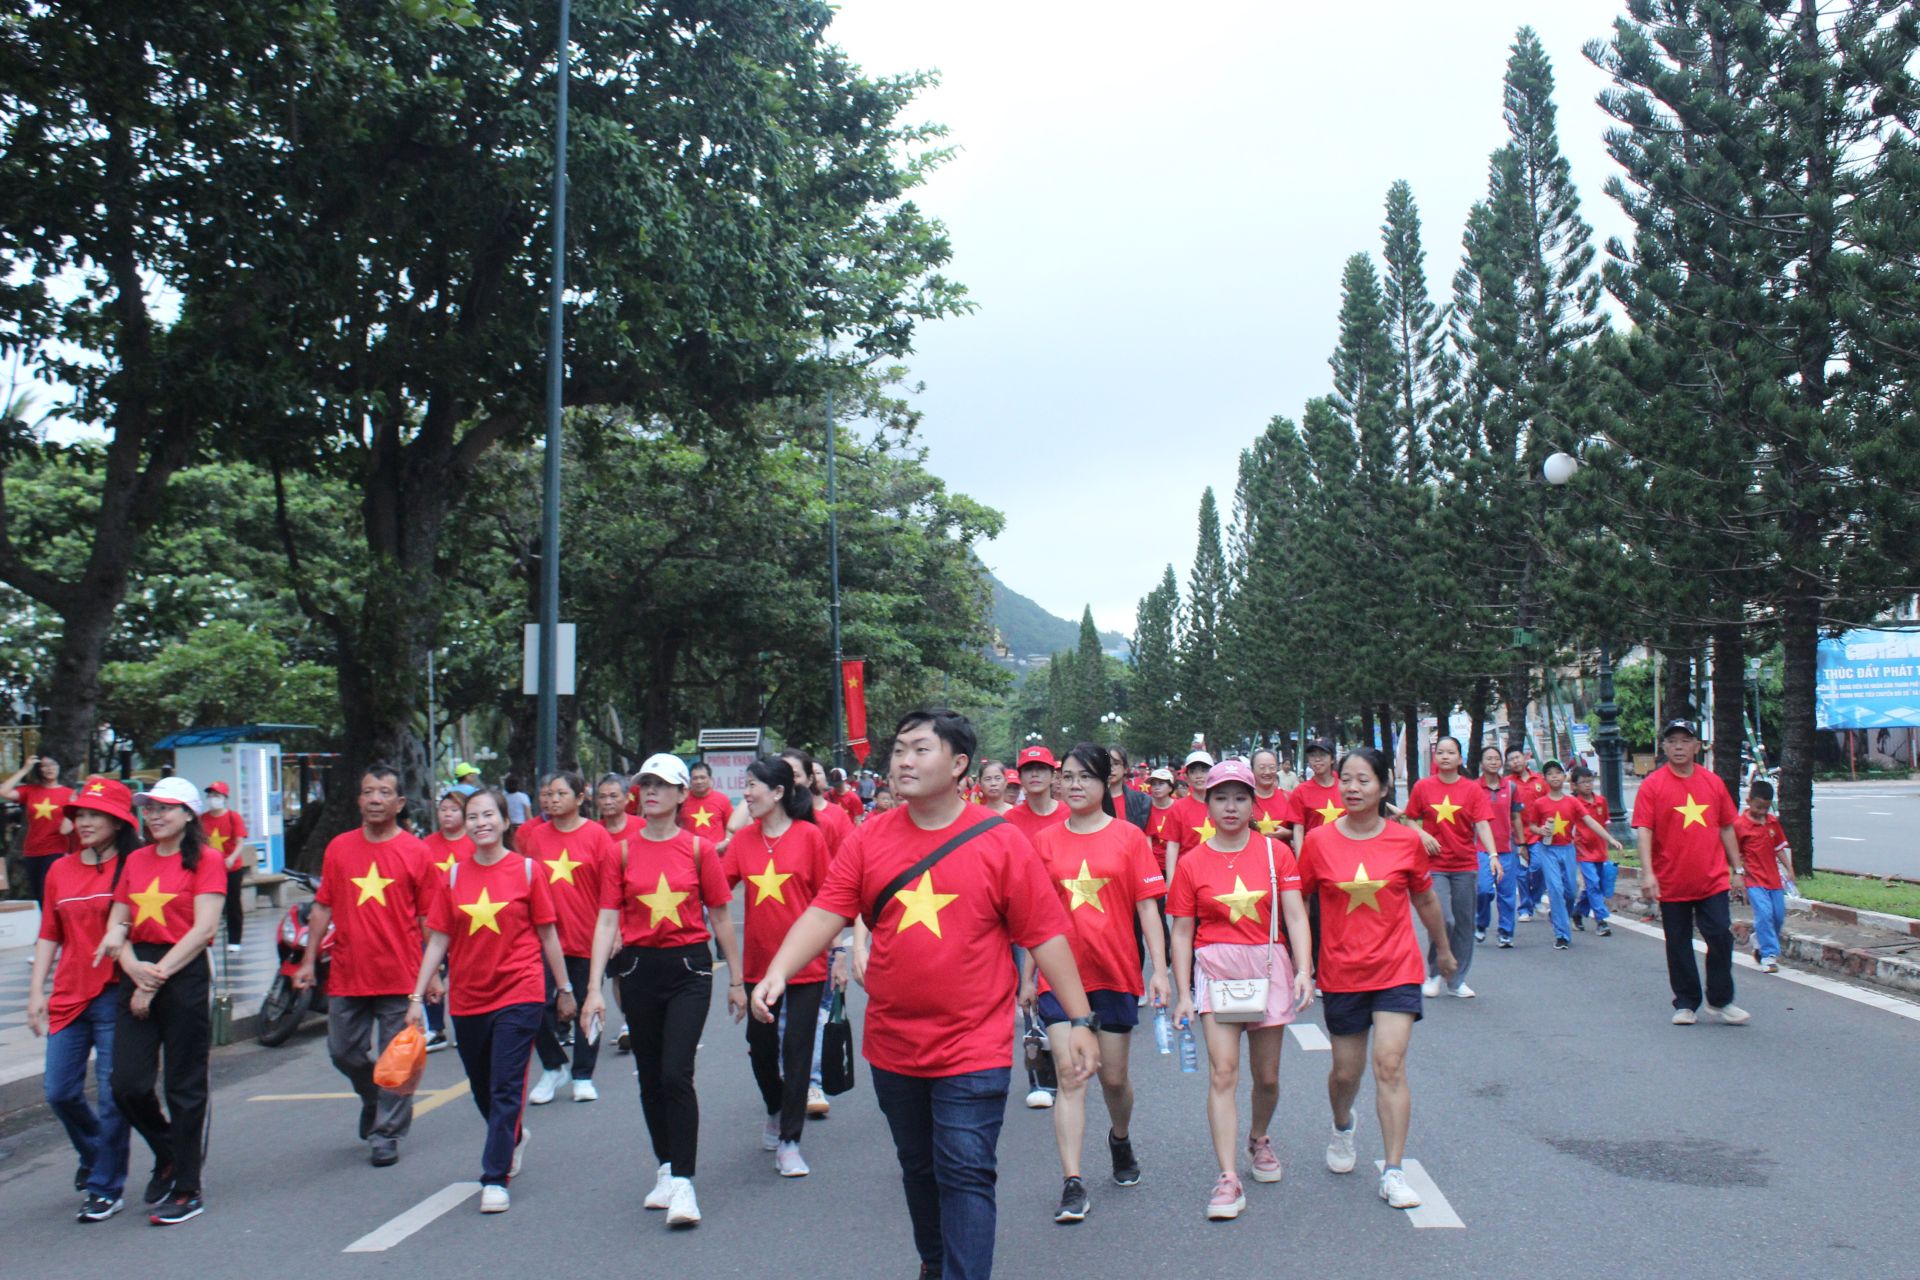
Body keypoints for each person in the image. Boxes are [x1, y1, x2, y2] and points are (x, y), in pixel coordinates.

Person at [753, 708, 1097, 1280]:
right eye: (898, 751)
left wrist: (1080, 1020)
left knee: (966, 1171)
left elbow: (1045, 933)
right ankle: (936, 1264)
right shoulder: (870, 837)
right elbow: (826, 909)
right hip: (894, 1044)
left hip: (974, 1044)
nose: (903, 762)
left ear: (959, 764)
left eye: (919, 750)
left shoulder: (1001, 841)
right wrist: (778, 971)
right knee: (918, 1169)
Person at [577, 753, 745, 1227]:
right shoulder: (620, 853)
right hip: (638, 970)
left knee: (675, 1073)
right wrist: (593, 990)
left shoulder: (699, 850)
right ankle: (667, 1168)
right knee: (650, 1077)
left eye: (661, 784)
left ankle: (685, 1184)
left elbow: (720, 918)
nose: (650, 791)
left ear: (680, 794)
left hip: (689, 969)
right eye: (645, 784)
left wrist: (737, 981)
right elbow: (606, 920)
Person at [1299, 748, 1455, 1213]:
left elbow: (1425, 900)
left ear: (1385, 787)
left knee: (1389, 1064)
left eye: (1363, 780)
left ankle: (1393, 1170)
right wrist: (1299, 961)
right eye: (1346, 779)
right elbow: (1298, 901)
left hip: (1396, 968)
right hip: (1342, 971)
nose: (1352, 788)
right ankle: (1342, 1124)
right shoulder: (1318, 841)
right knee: (1346, 1072)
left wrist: (1443, 950)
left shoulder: (1405, 841)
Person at [407, 787, 575, 1215]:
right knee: (482, 1086)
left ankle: (495, 1177)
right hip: (468, 997)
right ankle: (513, 1137)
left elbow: (547, 934)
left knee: (505, 1086)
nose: (480, 823)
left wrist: (565, 990)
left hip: (520, 990)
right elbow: (438, 938)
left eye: (488, 815)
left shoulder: (528, 871)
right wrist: (417, 995)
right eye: (473, 817)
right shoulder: (452, 877)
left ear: (504, 821)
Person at [1018, 743, 1168, 1222]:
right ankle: (1073, 1181)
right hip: (1060, 980)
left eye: (1085, 776)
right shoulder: (1043, 842)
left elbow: (1148, 908)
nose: (1074, 785)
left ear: (1106, 783)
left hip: (1115, 973)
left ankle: (1119, 1139)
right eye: (1068, 776)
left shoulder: (1129, 838)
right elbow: (1035, 919)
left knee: (1113, 1079)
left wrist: (1160, 971)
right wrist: (1027, 976)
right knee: (1070, 1074)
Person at [1167, 758, 1314, 1222]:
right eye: (1221, 798)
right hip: (1216, 970)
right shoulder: (1191, 862)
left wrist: (1305, 969)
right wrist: (1183, 991)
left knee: (1266, 1077)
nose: (1230, 807)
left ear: (1254, 804)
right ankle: (1228, 1176)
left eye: (1239, 798)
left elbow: (1295, 915)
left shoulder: (1276, 854)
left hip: (1267, 965)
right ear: (1207, 804)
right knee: (1223, 1073)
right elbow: (1181, 932)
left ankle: (1258, 1138)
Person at [97, 777, 225, 1225]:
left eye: (164, 808)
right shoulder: (135, 859)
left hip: (182, 971)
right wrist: (132, 966)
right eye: (149, 808)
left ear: (188, 814)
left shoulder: (207, 859)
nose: (154, 816)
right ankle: (168, 1150)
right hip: (138, 967)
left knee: (183, 1086)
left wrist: (153, 981)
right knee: (126, 1084)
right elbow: (119, 922)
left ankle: (188, 1189)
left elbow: (203, 929)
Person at [295, 765, 436, 1167]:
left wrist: (433, 974)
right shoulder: (339, 848)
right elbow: (322, 906)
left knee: (398, 1061)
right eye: (369, 791)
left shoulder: (416, 852)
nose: (375, 799)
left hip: (400, 974)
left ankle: (386, 1133)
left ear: (399, 802)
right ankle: (372, 1095)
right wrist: (308, 960)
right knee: (342, 1051)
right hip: (348, 971)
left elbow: (428, 918)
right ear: (359, 800)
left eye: (384, 792)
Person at [27, 777, 149, 1222]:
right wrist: (36, 992)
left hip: (115, 994)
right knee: (59, 1092)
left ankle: (105, 1187)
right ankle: (98, 1154)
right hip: (68, 995)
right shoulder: (59, 870)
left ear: (118, 823)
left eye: (96, 815)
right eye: (80, 814)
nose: (85, 822)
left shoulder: (134, 867)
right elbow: (49, 933)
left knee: (114, 1096)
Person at [723, 757, 833, 1177]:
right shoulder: (744, 841)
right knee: (762, 1049)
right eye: (745, 785)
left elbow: (829, 901)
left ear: (779, 792)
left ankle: (790, 1141)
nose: (746, 793)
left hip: (806, 965)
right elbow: (717, 889)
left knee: (798, 1052)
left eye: (753, 785)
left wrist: (838, 954)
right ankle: (774, 1107)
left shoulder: (810, 837)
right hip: (757, 966)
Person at [1635, 720, 1748, 1025]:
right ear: (1664, 747)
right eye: (1672, 741)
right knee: (1678, 943)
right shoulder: (1652, 785)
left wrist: (1737, 869)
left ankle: (1720, 999)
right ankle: (1686, 1002)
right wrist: (1648, 873)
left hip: (1712, 878)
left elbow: (1727, 826)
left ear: (1697, 746)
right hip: (1671, 879)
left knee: (1720, 935)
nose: (1679, 747)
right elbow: (1644, 830)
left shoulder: (1712, 782)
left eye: (1685, 741)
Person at [520, 770, 617, 1104]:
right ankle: (553, 1066)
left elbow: (612, 889)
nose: (553, 799)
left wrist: (616, 931)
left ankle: (583, 1075)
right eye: (549, 794)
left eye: (561, 793)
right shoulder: (535, 837)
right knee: (533, 1004)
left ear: (579, 798)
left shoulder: (597, 836)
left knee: (589, 1004)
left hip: (588, 937)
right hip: (543, 939)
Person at [1399, 737, 1496, 998]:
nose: (1444, 756)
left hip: (1465, 864)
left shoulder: (1472, 790)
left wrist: (1493, 854)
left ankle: (1456, 980)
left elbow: (1482, 824)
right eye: (1440, 752)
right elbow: (1409, 818)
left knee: (1464, 923)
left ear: (1460, 758)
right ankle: (1434, 973)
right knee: (1443, 919)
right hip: (1434, 864)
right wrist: (1422, 834)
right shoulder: (1423, 787)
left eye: (1450, 752)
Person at [1521, 762, 1592, 952]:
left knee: (1571, 890)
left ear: (1564, 776)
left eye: (1558, 772)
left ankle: (1559, 916)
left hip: (1567, 849)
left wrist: (1609, 838)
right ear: (1544, 779)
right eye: (1550, 773)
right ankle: (1562, 934)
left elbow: (1589, 820)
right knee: (1555, 888)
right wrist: (1541, 830)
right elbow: (1532, 826)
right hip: (1547, 849)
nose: (1554, 776)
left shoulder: (1572, 802)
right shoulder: (1540, 803)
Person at [1733, 779, 1793, 972]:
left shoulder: (1772, 822)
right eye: (1758, 807)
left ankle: (1758, 938)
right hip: (1754, 880)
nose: (1761, 812)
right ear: (1748, 801)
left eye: (1766, 808)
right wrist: (1738, 874)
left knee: (1778, 916)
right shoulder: (1740, 825)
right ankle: (1769, 955)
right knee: (1764, 913)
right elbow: (1734, 853)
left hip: (1774, 879)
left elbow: (1779, 848)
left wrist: (1789, 868)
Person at [4, 753, 73, 905]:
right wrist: (25, 769)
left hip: (56, 849)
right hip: (32, 850)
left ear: (59, 767)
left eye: (53, 764)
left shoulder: (69, 794)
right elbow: (3, 791)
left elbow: (67, 828)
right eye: (44, 765)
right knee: (38, 894)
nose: (49, 768)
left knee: (47, 893)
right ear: (39, 769)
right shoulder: (30, 790)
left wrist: (72, 810)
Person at [1472, 747, 1523, 948]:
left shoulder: (1510, 787)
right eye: (1489, 759)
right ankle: (1481, 922)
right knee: (1483, 890)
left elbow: (1516, 817)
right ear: (1481, 763)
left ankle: (1505, 932)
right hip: (1481, 848)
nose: (1493, 762)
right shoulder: (1473, 787)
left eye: (1496, 758)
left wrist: (1522, 843)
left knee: (1507, 893)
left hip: (1506, 848)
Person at [1567, 766, 1625, 936]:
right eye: (1583, 782)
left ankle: (1577, 912)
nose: (1588, 785)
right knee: (1592, 883)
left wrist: (1611, 841)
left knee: (1597, 884)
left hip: (1600, 850)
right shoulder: (1574, 804)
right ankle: (1601, 920)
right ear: (1574, 786)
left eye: (1590, 781)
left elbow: (1605, 824)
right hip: (1583, 850)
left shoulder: (1601, 801)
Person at [199, 782, 250, 953]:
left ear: (224, 798)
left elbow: (240, 841)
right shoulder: (202, 819)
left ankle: (234, 940)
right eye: (210, 795)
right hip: (210, 869)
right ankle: (206, 937)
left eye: (217, 795)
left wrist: (232, 857)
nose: (212, 799)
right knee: (208, 903)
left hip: (231, 869)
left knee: (232, 904)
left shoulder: (233, 817)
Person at [1507, 748, 1549, 921]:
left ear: (1525, 758)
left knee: (1539, 866)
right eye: (1511, 759)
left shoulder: (1539, 780)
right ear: (1508, 764)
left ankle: (1536, 898)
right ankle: (1525, 908)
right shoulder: (1507, 783)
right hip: (1516, 835)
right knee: (1522, 873)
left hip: (1538, 834)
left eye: (1517, 757)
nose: (1515, 761)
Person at [1002, 744, 1068, 847]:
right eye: (1028, 769)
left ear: (1053, 776)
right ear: (1020, 778)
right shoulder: (1010, 818)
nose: (1034, 774)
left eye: (1041, 768)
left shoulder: (1070, 814)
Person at [679, 761, 736, 852]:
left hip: (717, 854)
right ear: (690, 781)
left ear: (710, 779)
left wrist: (726, 842)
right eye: (695, 778)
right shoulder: (681, 800)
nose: (699, 781)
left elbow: (732, 827)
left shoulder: (722, 799)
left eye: (702, 777)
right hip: (690, 853)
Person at [1249, 748, 1301, 844]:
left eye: (1272, 767)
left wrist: (1287, 834)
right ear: (1252, 770)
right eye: (1262, 767)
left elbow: (1301, 831)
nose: (1267, 772)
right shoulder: (1244, 799)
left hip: (1284, 852)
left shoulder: (1289, 797)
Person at [1105, 745, 1152, 833]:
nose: (1111, 768)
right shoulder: (1093, 801)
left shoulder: (1142, 801)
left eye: (1116, 763)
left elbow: (1146, 836)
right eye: (1106, 764)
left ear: (1125, 768)